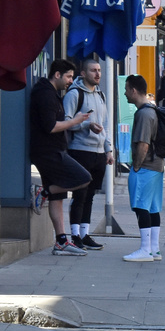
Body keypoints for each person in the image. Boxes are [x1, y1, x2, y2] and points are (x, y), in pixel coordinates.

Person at [29, 59, 92, 256]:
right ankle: (43, 192)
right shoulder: (45, 94)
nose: (71, 81)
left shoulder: (51, 93)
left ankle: (61, 241)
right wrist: (76, 120)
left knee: (59, 197)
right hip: (48, 152)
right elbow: (51, 126)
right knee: (83, 178)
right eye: (68, 77)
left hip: (52, 150)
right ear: (57, 75)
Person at [63, 59, 114, 251]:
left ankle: (85, 234)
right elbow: (66, 122)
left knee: (91, 195)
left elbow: (106, 124)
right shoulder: (74, 94)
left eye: (99, 70)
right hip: (80, 150)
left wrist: (108, 149)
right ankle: (74, 234)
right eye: (93, 70)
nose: (98, 74)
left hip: (98, 152)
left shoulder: (100, 94)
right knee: (80, 194)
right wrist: (86, 124)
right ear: (83, 73)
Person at [123, 75, 165, 262]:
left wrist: (136, 167)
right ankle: (154, 249)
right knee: (153, 208)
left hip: (146, 166)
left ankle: (145, 250)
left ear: (133, 90)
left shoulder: (143, 114)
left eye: (126, 89)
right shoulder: (153, 110)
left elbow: (143, 144)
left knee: (141, 207)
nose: (124, 93)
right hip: (157, 166)